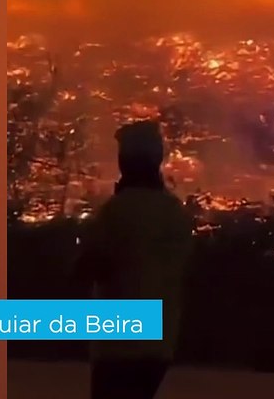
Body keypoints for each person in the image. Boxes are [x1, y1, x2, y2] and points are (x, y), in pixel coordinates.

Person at [74, 120, 193, 399]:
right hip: (160, 341)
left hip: (118, 344)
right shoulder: (175, 212)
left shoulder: (117, 212)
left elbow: (89, 267)